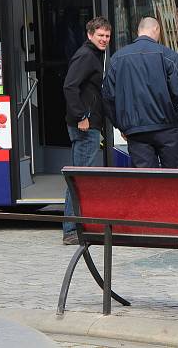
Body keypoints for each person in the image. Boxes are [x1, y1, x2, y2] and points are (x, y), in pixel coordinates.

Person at [102, 17, 178, 168]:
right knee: (171, 177)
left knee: (146, 181)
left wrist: (121, 125)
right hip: (167, 128)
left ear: (138, 32)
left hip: (136, 131)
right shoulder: (169, 56)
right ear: (156, 30)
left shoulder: (117, 58)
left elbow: (108, 97)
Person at [62, 16, 112, 244]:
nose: (104, 39)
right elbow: (70, 86)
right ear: (89, 35)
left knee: (82, 176)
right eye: (100, 35)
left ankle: (78, 226)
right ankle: (71, 230)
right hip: (85, 125)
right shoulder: (86, 55)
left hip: (91, 124)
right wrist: (81, 116)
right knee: (79, 177)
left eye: (107, 36)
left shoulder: (95, 55)